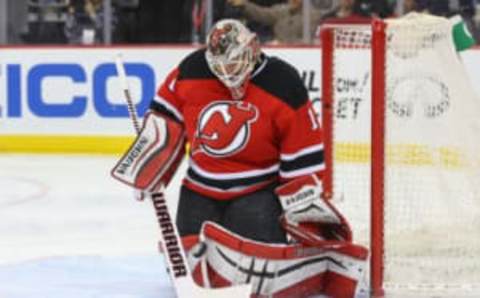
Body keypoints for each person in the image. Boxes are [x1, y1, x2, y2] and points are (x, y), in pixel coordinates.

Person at [112, 19, 368, 297]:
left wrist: (303, 208)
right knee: (190, 266)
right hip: (199, 189)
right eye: (218, 65)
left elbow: (302, 150)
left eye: (233, 62)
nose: (226, 71)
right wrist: (147, 166)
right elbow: (165, 120)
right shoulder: (191, 70)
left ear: (253, 47)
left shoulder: (282, 81)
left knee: (257, 276)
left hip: (256, 192)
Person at [226, 0, 332, 44]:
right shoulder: (282, 10)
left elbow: (309, 41)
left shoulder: (313, 15)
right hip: (279, 52)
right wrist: (245, 4)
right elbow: (262, 14)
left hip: (300, 55)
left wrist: (283, 43)